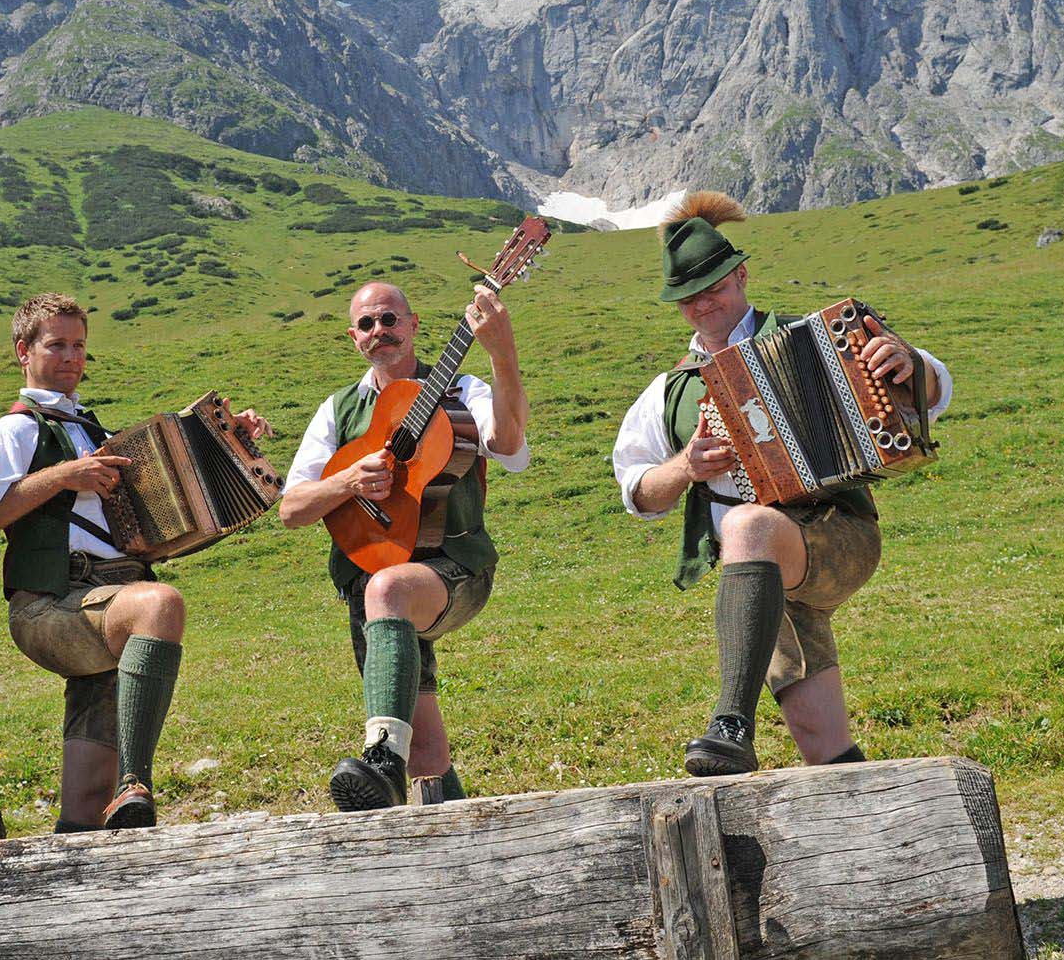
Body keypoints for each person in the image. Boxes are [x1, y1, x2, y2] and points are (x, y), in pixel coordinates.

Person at [611, 193, 952, 775]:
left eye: (713, 288)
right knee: (821, 740)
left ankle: (730, 724)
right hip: (757, 588)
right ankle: (865, 838)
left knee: (747, 524)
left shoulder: (810, 338)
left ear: (741, 276)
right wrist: (686, 468)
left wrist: (909, 363)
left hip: (836, 538)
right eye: (688, 298)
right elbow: (637, 491)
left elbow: (937, 391)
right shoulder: (669, 390)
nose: (701, 305)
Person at [0, 291, 269, 830]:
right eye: (56, 345)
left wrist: (232, 443)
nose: (71, 357)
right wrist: (61, 477)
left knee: (84, 809)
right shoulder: (16, 430)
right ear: (23, 351)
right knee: (159, 606)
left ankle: (83, 884)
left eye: (79, 345)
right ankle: (135, 784)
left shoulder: (92, 430)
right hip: (51, 608)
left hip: (109, 606)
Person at [278, 280, 529, 810]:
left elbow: (507, 446)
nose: (379, 332)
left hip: (452, 566)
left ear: (413, 326)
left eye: (389, 319)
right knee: (427, 749)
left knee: (389, 592)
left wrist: (502, 353)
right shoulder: (338, 408)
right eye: (367, 324)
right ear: (354, 337)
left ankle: (381, 760)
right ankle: (456, 851)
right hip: (368, 566)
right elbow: (292, 508)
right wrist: (347, 481)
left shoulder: (463, 391)